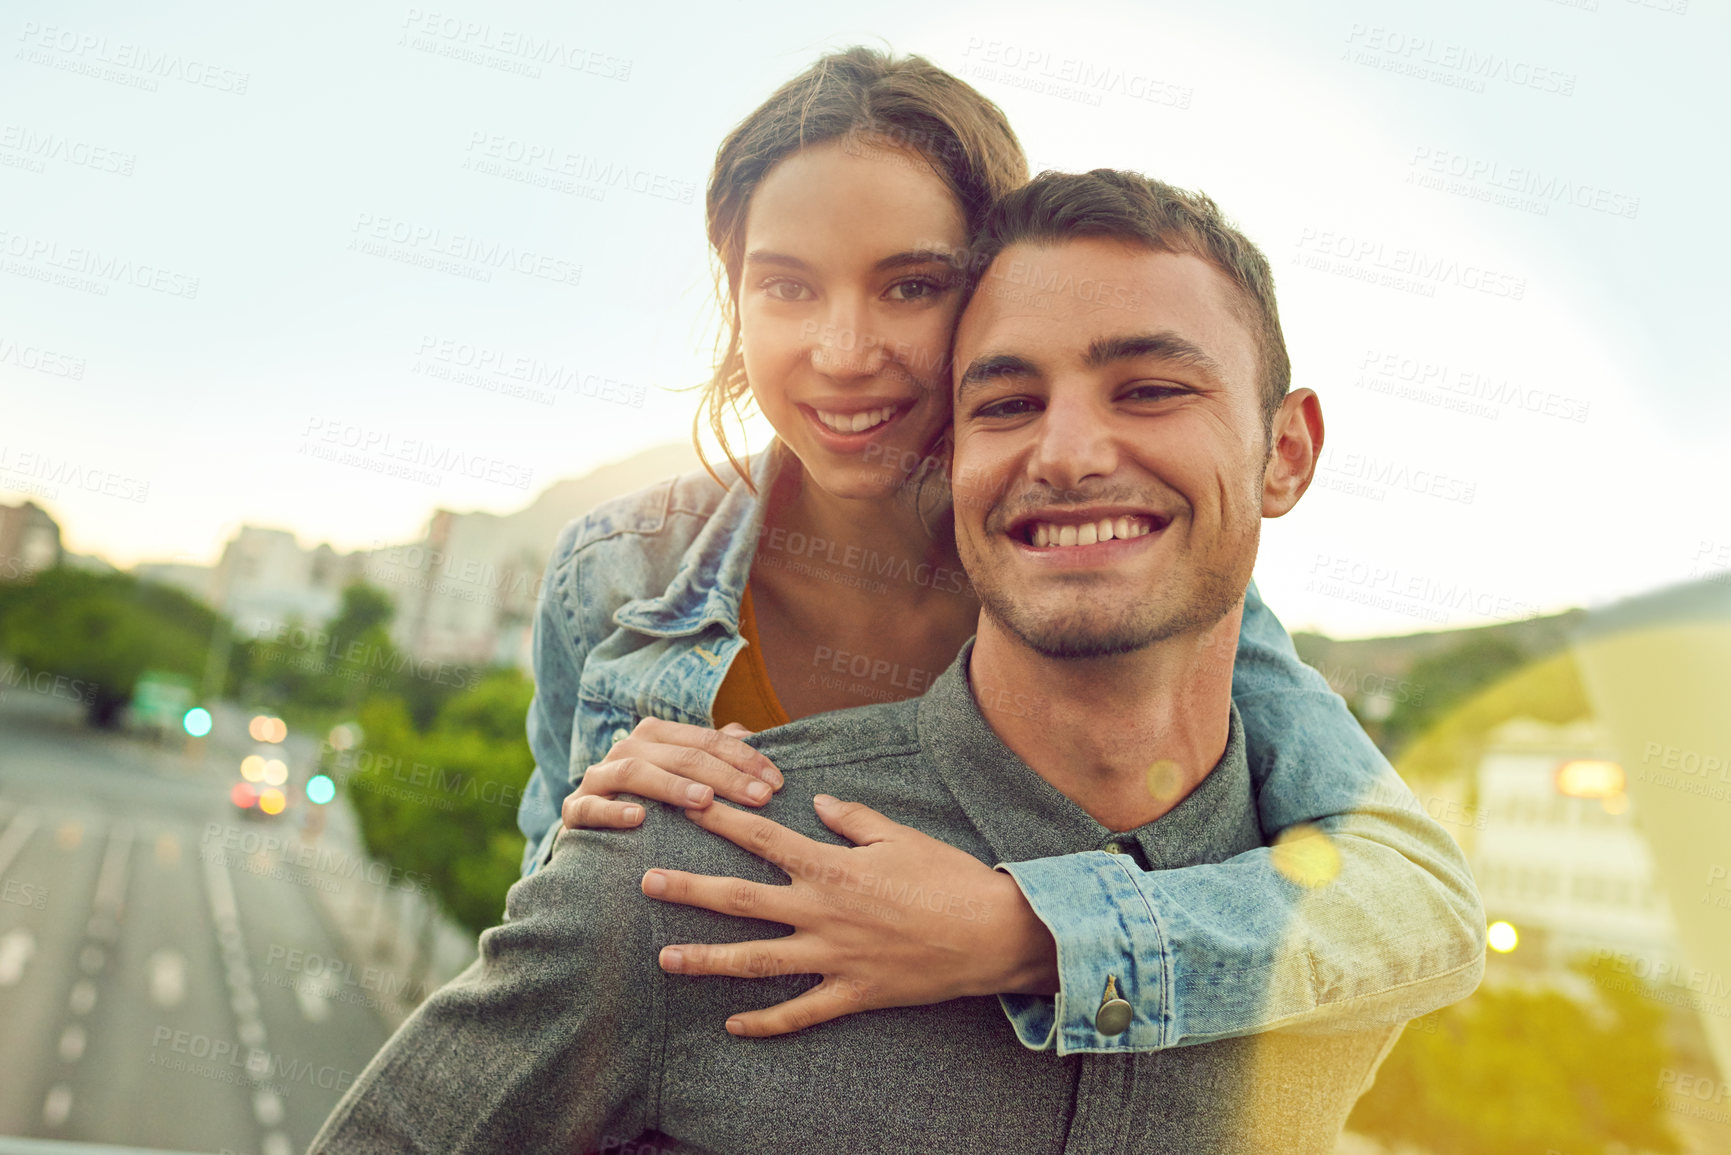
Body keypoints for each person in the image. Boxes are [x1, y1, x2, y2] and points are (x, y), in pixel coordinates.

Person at [310, 169, 1473, 1155]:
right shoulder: (688, 871)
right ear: (950, 457)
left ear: (1286, 454)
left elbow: (1431, 901)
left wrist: (1033, 932)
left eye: (1153, 389)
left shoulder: (1337, 939)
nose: (1069, 455)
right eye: (1008, 403)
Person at [516, 46, 1482, 1048]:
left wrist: (1026, 935)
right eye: (788, 289)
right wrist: (593, 851)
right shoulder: (616, 572)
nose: (843, 355)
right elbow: (540, 942)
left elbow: (1415, 902)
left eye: (911, 286)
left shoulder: (1098, 581)